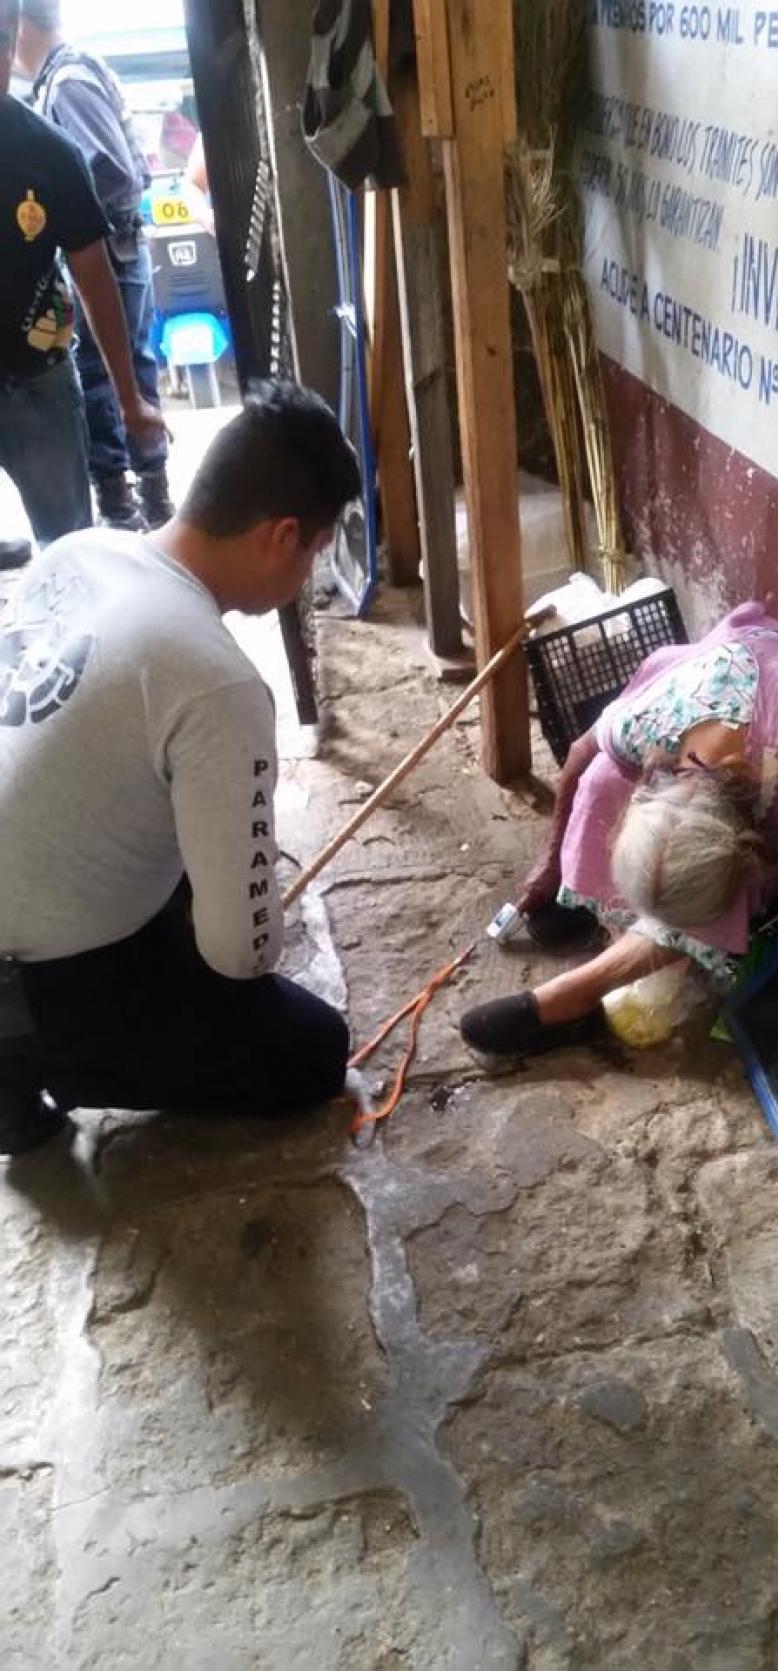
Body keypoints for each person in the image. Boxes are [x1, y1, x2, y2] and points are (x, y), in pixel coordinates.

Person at [0, 381, 361, 1155]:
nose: (307, 576)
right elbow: (239, 953)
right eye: (317, 551)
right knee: (311, 1051)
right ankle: (28, 1063)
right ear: (282, 534)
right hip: (37, 987)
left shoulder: (80, 551)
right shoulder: (217, 681)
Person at [460, 602, 778, 1056]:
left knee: (751, 881)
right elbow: (580, 753)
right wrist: (549, 863)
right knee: (602, 781)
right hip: (736, 667)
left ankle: (579, 994)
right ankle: (599, 915)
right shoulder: (655, 720)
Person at [0, 0, 165, 568]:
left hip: (36, 378)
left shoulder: (49, 152)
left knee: (70, 549)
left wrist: (130, 400)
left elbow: (95, 278)